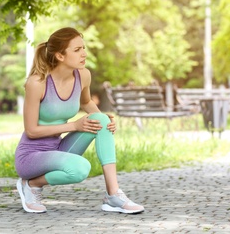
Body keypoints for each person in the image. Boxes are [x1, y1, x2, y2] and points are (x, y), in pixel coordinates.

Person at [14, 27, 145, 214]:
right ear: (60, 55)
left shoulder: (83, 75)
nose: (84, 53)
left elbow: (86, 102)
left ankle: (113, 194)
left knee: (101, 119)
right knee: (81, 168)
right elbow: (31, 131)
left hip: (58, 148)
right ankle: (31, 184)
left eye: (83, 48)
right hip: (31, 156)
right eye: (77, 50)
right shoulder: (37, 83)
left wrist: (104, 123)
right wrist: (74, 125)